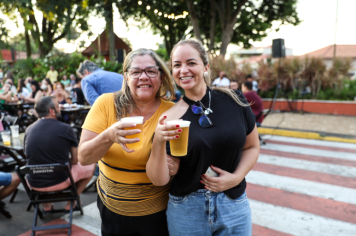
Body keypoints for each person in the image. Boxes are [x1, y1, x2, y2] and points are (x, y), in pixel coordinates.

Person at [146, 39, 260, 236]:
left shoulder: (234, 100)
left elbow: (252, 147)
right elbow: (159, 179)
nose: (184, 70)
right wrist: (157, 140)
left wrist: (236, 178)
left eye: (191, 63)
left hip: (234, 203)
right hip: (187, 210)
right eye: (177, 65)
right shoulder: (170, 117)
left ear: (205, 67)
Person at [78, 48, 179, 236]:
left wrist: (175, 164)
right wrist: (108, 136)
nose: (143, 77)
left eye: (151, 71)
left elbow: (178, 156)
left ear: (161, 76)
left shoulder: (173, 112)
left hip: (157, 213)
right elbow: (83, 157)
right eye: (136, 72)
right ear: (126, 77)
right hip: (112, 212)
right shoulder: (105, 103)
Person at [24, 96, 95, 212]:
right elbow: (76, 160)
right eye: (57, 106)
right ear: (52, 111)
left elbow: (28, 156)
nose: (60, 109)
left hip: (34, 182)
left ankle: (46, 206)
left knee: (41, 163)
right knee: (91, 166)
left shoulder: (29, 129)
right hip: (60, 180)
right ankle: (72, 202)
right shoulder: (66, 129)